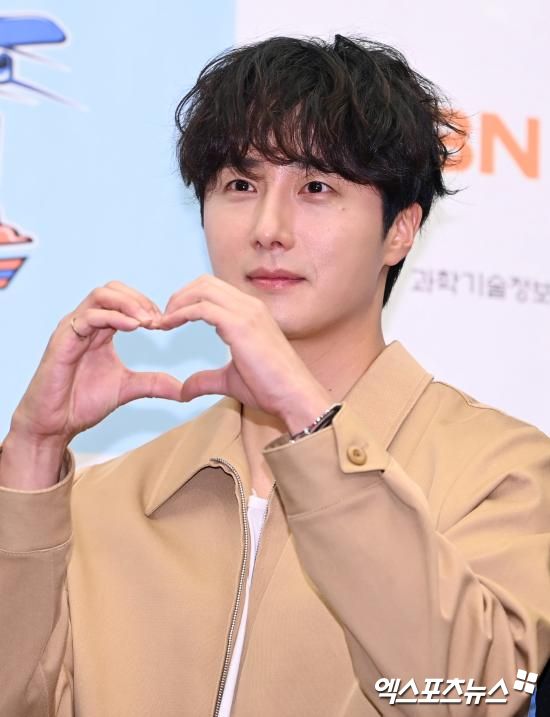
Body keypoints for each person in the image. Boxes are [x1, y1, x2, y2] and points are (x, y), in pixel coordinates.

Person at [0, 34, 549, 717]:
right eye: (240, 185)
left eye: (317, 187)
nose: (268, 227)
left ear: (400, 230)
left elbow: (469, 694)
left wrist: (312, 425)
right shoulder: (104, 499)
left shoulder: (503, 472)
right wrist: (30, 455)